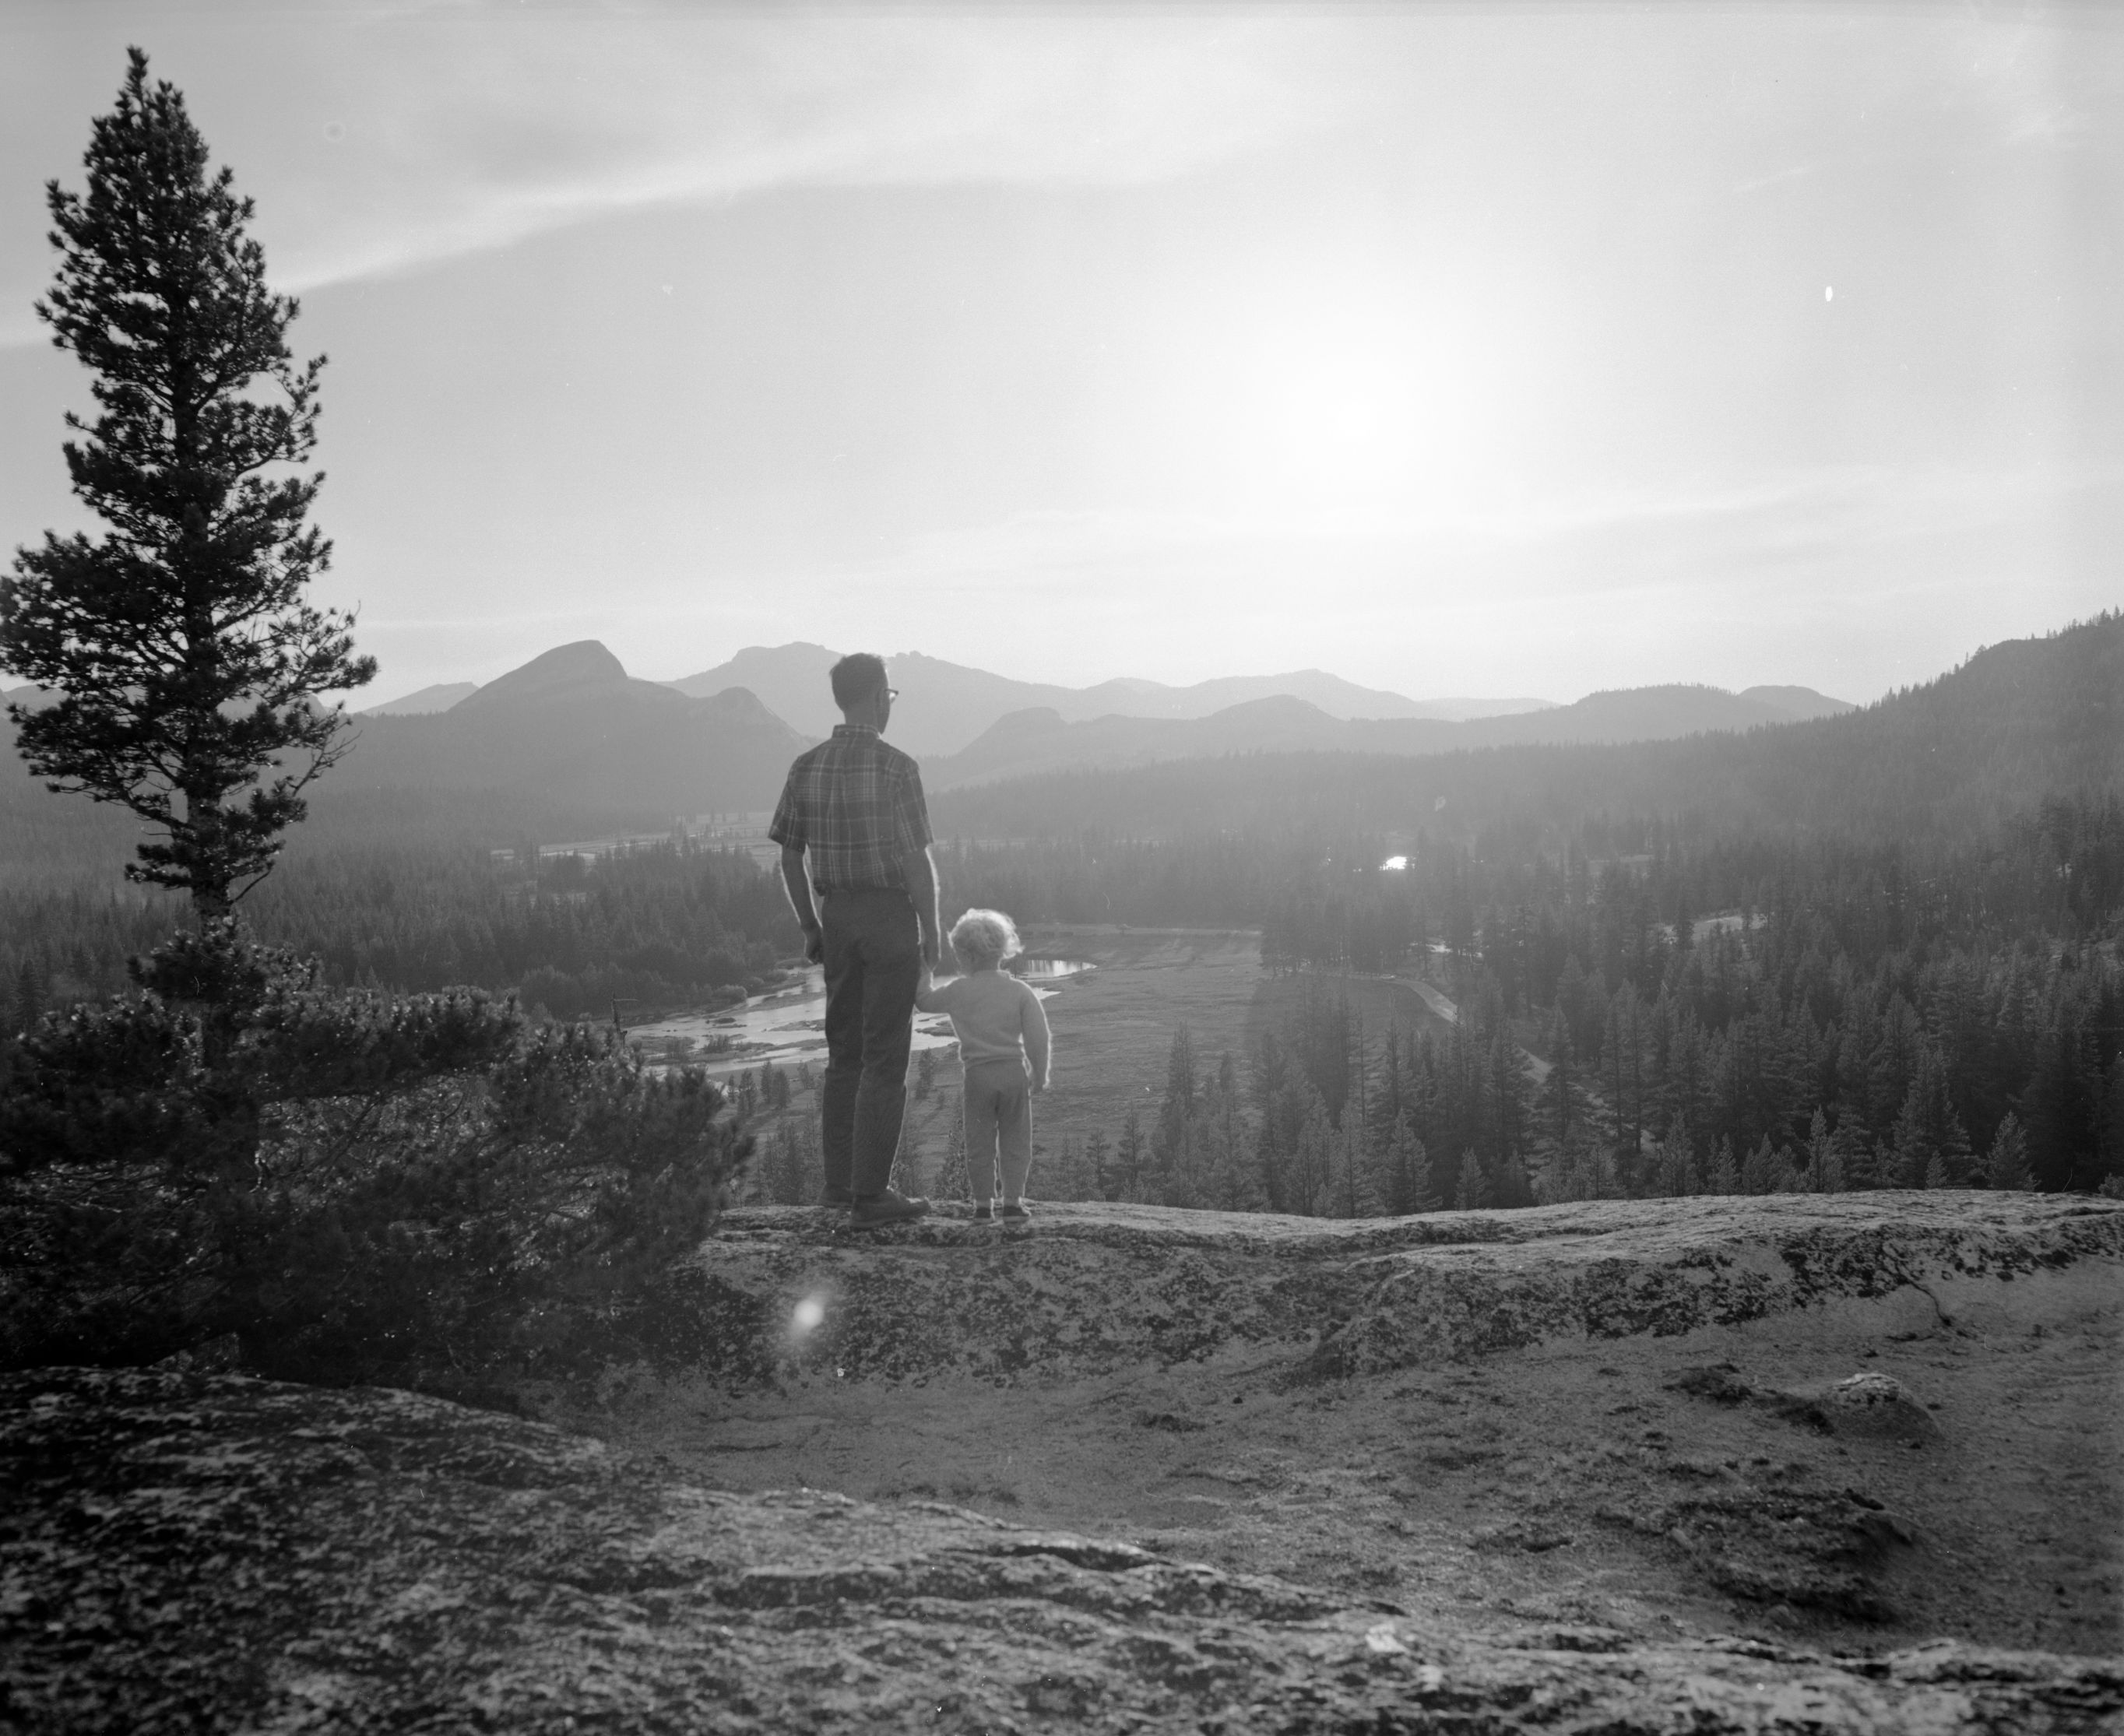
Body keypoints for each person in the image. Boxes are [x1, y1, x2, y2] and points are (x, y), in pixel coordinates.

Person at [769, 653, 941, 1228]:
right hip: (889, 917)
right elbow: (916, 862)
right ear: (875, 697)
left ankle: (838, 1188)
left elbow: (790, 856)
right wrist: (933, 929)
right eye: (889, 697)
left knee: (843, 1054)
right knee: (885, 1058)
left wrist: (810, 926)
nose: (889, 707)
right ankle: (872, 1196)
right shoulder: (898, 768)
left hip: (837, 917)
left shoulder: (805, 766)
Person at [916, 908, 1052, 1222]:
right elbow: (1037, 1036)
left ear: (966, 956)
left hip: (977, 1077)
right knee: (1016, 1140)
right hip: (1013, 1075)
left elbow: (923, 1002)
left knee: (979, 1143)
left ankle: (981, 1206)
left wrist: (924, 968)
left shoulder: (958, 991)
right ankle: (1014, 1204)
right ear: (1003, 950)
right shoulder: (1020, 991)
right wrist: (1040, 1073)